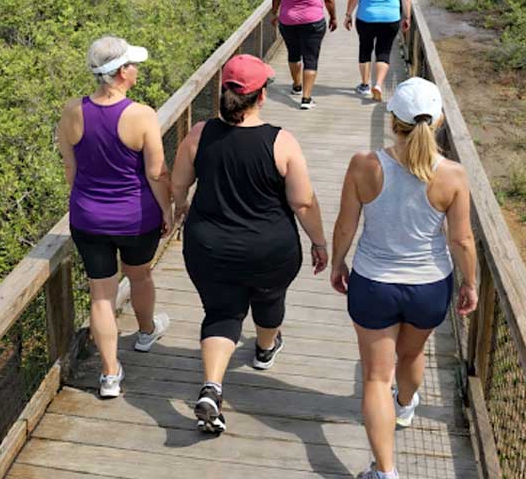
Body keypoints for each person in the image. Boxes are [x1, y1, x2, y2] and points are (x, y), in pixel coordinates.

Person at [171, 54, 328, 434]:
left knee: (222, 313)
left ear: (224, 91)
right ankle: (263, 349)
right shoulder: (281, 141)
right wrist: (319, 242)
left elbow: (178, 184)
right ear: (261, 96)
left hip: (208, 247)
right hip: (269, 249)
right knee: (269, 299)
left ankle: (212, 385)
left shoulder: (198, 134)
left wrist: (179, 210)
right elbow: (302, 202)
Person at [330, 77, 478, 479]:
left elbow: (346, 225)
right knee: (411, 356)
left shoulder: (365, 164)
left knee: (376, 378)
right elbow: (461, 239)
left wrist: (338, 263)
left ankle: (386, 471)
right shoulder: (453, 174)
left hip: (374, 283)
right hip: (429, 287)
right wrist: (470, 283)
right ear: (440, 119)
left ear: (393, 119)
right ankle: (407, 405)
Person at [57, 35, 173, 399]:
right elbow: (157, 173)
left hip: (88, 217)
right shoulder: (142, 115)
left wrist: (86, 200)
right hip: (136, 218)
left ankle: (109, 376)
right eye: (133, 65)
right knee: (139, 276)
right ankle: (145, 331)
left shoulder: (72, 111)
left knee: (101, 295)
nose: (137, 70)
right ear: (122, 72)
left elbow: (70, 168)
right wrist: (167, 210)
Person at [271, 0, 337, 110]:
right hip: (313, 21)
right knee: (311, 58)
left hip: (288, 20)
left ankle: (297, 85)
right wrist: (333, 17)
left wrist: (274, 13)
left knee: (294, 53)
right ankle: (306, 99)